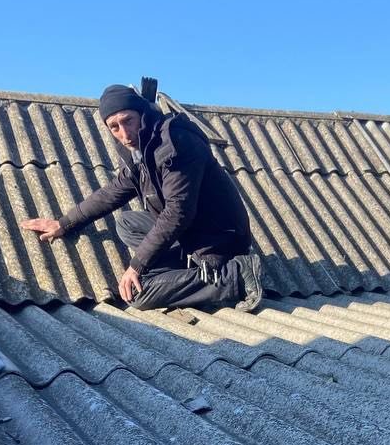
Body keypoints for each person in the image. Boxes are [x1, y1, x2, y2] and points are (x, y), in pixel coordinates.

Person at [21, 84, 265, 312]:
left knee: (138, 294)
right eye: (114, 127)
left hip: (219, 240)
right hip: (192, 231)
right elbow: (112, 192)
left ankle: (236, 276)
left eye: (128, 121)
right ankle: (185, 272)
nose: (125, 134)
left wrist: (137, 265)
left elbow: (178, 212)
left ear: (142, 114)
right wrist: (64, 224)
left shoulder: (175, 143)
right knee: (127, 222)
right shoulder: (140, 150)